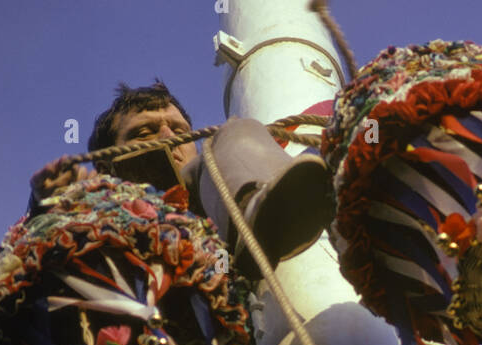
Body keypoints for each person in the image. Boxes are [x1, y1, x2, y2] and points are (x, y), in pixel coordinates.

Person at [27, 80, 334, 272]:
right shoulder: (86, 204)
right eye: (144, 133)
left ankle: (255, 209)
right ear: (106, 165)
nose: (166, 138)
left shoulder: (212, 166)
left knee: (236, 129)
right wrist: (49, 201)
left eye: (179, 132)